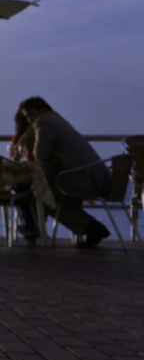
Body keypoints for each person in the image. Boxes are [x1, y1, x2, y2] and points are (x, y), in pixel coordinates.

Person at [17, 96, 112, 248]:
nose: (29, 121)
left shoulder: (44, 121)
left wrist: (29, 134)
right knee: (47, 194)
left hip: (87, 180)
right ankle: (90, 227)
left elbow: (40, 155)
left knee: (43, 196)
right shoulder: (58, 120)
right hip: (97, 178)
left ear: (42, 110)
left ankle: (91, 227)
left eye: (29, 115)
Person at [7, 108, 41, 242]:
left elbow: (14, 157)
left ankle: (32, 226)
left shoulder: (40, 132)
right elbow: (15, 156)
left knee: (22, 188)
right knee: (25, 189)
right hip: (35, 173)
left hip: (39, 172)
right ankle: (34, 227)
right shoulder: (26, 134)